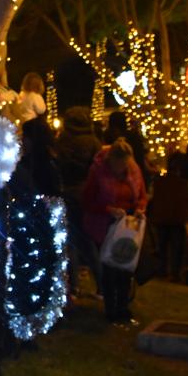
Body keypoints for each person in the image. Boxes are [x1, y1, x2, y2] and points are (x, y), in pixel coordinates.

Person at [82, 139, 147, 323]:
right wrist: (108, 209)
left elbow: (141, 195)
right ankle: (111, 309)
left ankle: (123, 307)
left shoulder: (133, 171)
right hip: (105, 225)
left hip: (128, 224)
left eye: (125, 164)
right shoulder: (98, 172)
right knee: (110, 268)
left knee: (126, 267)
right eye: (118, 165)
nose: (122, 169)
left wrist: (140, 208)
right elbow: (88, 201)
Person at [56, 106, 103, 297]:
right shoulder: (93, 142)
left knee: (71, 242)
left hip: (67, 193)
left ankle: (73, 286)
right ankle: (100, 285)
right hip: (86, 194)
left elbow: (58, 164)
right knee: (90, 241)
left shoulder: (63, 141)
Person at [150, 153, 188, 282]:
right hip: (178, 219)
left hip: (161, 218)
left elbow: (151, 197)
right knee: (177, 247)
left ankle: (162, 270)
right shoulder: (185, 184)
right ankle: (174, 272)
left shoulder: (158, 183)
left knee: (162, 246)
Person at [103, 111, 148, 178]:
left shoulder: (108, 138)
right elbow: (140, 159)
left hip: (115, 178)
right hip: (135, 175)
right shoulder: (134, 137)